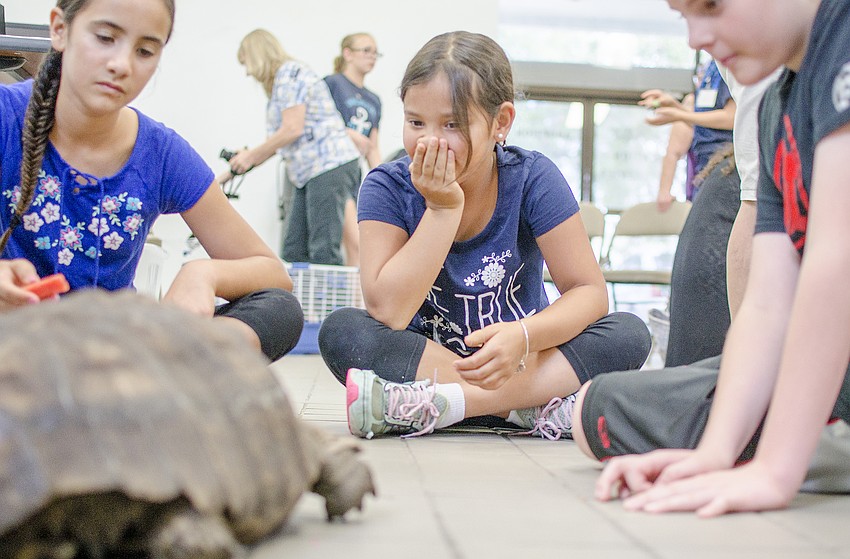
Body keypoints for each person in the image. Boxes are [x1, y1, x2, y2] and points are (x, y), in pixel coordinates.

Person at [571, 0, 850, 516]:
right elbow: (768, 305)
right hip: (833, 366)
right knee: (596, 410)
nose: (696, 37)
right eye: (684, 16)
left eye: (711, 7)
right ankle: (810, 443)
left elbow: (836, 266)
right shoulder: (775, 107)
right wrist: (716, 453)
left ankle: (804, 446)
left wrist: (774, 473)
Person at [318, 31, 651, 440]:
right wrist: (442, 209)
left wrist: (525, 335)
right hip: (429, 360)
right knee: (343, 331)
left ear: (501, 122)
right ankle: (527, 408)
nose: (429, 141)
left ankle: (444, 406)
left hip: (520, 358)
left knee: (628, 332)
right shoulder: (386, 186)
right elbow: (389, 311)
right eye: (415, 122)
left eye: (453, 124)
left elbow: (588, 291)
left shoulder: (533, 177)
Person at [0, 0, 303, 363]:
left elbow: (273, 274)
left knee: (279, 310)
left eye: (145, 50)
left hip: (109, 358)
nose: (122, 64)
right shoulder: (6, 116)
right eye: (105, 37)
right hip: (15, 348)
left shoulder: (161, 152)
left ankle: (172, 376)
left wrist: (203, 273)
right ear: (59, 29)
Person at [217, 29, 360, 266]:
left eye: (247, 63)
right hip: (308, 172)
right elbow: (278, 141)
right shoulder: (280, 85)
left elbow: (292, 129)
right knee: (293, 249)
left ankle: (327, 304)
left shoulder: (289, 74)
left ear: (257, 55)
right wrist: (226, 175)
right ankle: (298, 302)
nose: (248, 72)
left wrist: (251, 156)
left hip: (329, 165)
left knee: (323, 249)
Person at [640, 58, 736, 204]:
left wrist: (679, 115)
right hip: (704, 169)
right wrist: (674, 106)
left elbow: (731, 117)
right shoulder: (710, 68)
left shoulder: (730, 67)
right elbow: (702, 122)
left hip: (726, 167)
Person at [324, 32, 383, 267]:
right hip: (332, 170)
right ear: (347, 53)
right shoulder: (333, 84)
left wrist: (385, 181)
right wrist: (350, 135)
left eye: (375, 52)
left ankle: (357, 300)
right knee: (354, 243)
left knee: (358, 247)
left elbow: (372, 147)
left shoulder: (374, 100)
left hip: (353, 176)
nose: (372, 57)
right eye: (366, 50)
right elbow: (319, 123)